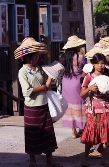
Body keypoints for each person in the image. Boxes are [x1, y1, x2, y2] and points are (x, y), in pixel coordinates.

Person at [14, 37, 63, 167]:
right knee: (32, 134)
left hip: (44, 105)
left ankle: (50, 160)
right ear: (28, 56)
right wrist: (44, 87)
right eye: (35, 55)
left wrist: (50, 77)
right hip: (32, 107)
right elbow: (27, 91)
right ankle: (32, 160)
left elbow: (45, 87)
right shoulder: (22, 71)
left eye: (37, 55)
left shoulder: (39, 69)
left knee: (48, 134)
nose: (37, 57)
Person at [80, 53, 109, 167]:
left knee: (105, 137)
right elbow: (81, 94)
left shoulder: (108, 78)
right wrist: (90, 88)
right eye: (98, 63)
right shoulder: (89, 77)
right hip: (92, 110)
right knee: (90, 135)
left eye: (102, 63)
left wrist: (108, 95)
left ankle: (103, 160)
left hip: (105, 109)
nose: (100, 66)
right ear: (93, 64)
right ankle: (85, 159)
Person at [60, 35, 87, 138]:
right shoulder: (80, 57)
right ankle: (82, 127)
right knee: (80, 104)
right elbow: (85, 70)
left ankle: (73, 131)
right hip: (77, 81)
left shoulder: (63, 58)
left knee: (69, 106)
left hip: (66, 82)